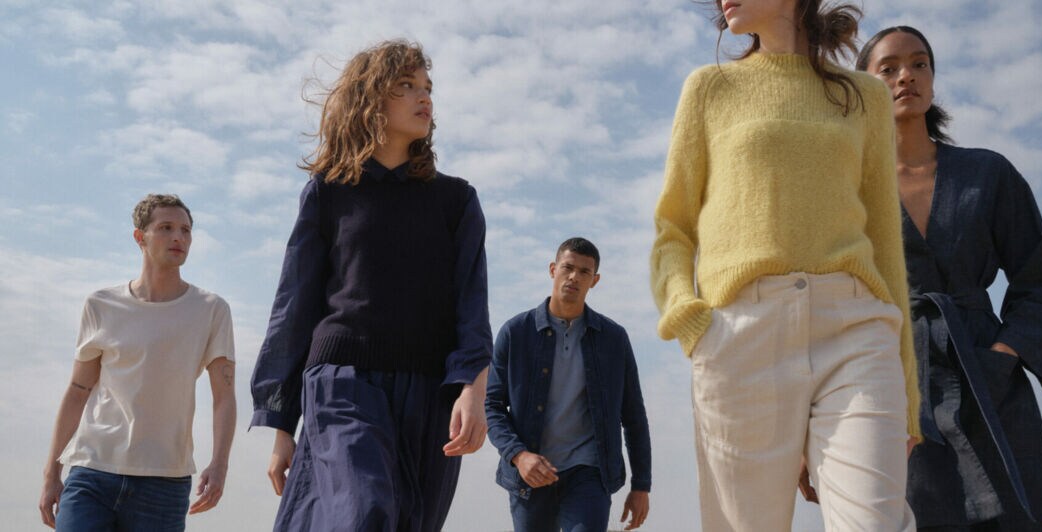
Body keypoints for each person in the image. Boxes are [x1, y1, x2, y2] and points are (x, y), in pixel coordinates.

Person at [651, 1, 923, 530]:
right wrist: (687, 315)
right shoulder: (709, 89)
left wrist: (909, 394)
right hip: (740, 337)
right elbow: (673, 228)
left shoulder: (865, 95)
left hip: (857, 331)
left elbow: (886, 248)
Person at [249, 39, 492, 532]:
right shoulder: (327, 191)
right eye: (406, 86)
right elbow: (293, 305)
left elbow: (472, 304)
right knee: (366, 512)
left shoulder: (457, 201)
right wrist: (281, 424)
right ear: (370, 99)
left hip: (429, 393)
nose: (424, 97)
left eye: (427, 87)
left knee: (406, 522)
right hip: (344, 381)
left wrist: (473, 389)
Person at [857, 26, 1042, 531]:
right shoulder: (850, 190)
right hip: (895, 381)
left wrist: (1004, 356)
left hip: (989, 378)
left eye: (919, 63)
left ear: (932, 77)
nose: (906, 75)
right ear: (864, 87)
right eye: (887, 68)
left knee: (1016, 514)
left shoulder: (988, 174)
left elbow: (1041, 282)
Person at [38, 194, 236, 531]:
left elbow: (224, 397)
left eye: (186, 230)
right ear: (139, 237)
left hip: (163, 482)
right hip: (92, 472)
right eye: (166, 228)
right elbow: (78, 389)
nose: (179, 237)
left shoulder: (211, 309)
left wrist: (220, 465)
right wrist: (51, 473)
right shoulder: (101, 305)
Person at [486, 238, 652, 532]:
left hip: (588, 472)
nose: (574, 277)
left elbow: (634, 416)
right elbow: (493, 407)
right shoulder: (515, 333)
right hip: (531, 473)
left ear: (595, 280)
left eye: (584, 272)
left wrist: (641, 486)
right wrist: (519, 456)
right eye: (568, 267)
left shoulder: (613, 339)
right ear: (553, 269)